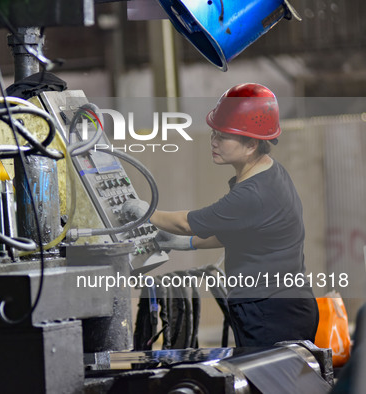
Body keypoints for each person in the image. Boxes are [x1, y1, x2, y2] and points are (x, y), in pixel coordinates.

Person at [122, 83, 319, 347]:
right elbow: (244, 234)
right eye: (214, 133)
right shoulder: (271, 172)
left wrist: (146, 212)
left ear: (250, 143)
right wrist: (188, 244)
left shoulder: (252, 193)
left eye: (223, 136)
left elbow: (186, 222)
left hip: (270, 311)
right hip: (284, 305)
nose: (213, 141)